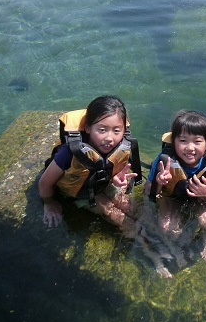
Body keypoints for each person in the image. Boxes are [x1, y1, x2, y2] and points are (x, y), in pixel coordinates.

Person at [39, 95, 140, 237]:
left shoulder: (120, 146)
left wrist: (116, 178)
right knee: (113, 214)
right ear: (88, 128)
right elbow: (44, 183)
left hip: (103, 183)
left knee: (132, 207)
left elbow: (114, 168)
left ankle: (159, 236)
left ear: (124, 130)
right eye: (102, 130)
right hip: (82, 192)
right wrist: (48, 203)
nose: (109, 138)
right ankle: (143, 243)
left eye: (116, 131)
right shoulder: (70, 152)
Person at [144, 110, 206, 263]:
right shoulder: (164, 161)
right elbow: (148, 192)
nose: (190, 148)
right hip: (172, 198)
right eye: (183, 141)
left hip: (203, 198)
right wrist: (159, 182)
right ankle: (173, 245)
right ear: (174, 141)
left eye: (197, 142)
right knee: (166, 227)